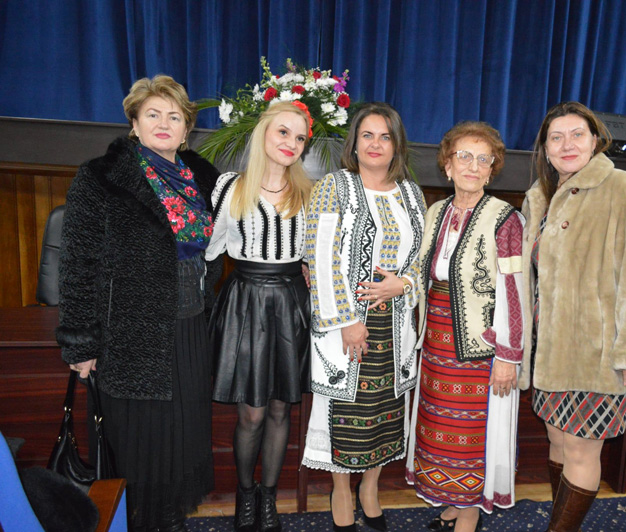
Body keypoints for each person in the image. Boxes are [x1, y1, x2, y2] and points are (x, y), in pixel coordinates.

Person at [57, 75, 220, 532]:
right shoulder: (101, 177)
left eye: (174, 117)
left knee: (182, 435)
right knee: (138, 441)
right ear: (134, 123)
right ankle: (137, 521)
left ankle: (170, 517)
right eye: (153, 114)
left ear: (186, 130)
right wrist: (81, 343)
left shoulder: (204, 178)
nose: (164, 123)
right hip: (129, 335)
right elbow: (77, 262)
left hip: (190, 327)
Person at [520, 101, 626, 532]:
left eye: (577, 135)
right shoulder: (540, 197)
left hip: (597, 353)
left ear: (595, 140)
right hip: (549, 350)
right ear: (545, 148)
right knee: (556, 439)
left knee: (581, 450)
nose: (567, 144)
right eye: (556, 137)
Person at [301, 102, 427, 532]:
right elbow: (320, 258)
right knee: (344, 410)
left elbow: (422, 259)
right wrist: (348, 322)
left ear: (397, 145)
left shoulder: (411, 193)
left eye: (385, 136)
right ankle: (341, 491)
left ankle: (370, 488)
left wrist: (403, 284)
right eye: (367, 135)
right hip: (346, 324)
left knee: (385, 410)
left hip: (396, 324)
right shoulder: (334, 186)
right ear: (353, 143)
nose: (375, 144)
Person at [405, 122, 526, 532]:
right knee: (439, 426)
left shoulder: (505, 219)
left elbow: (514, 291)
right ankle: (453, 501)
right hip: (437, 342)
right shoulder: (436, 212)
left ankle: (469, 512)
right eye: (464, 156)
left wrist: (508, 355)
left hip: (482, 348)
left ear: (492, 170)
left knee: (471, 434)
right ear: (447, 165)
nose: (472, 166)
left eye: (483, 159)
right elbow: (421, 272)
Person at [206, 101, 314, 532]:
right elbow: (209, 250)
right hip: (245, 300)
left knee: (280, 409)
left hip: (290, 303)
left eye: (300, 137)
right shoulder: (231, 187)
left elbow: (316, 257)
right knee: (250, 412)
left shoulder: (310, 193)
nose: (291, 143)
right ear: (263, 133)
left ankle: (269, 497)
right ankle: (245, 493)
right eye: (283, 132)